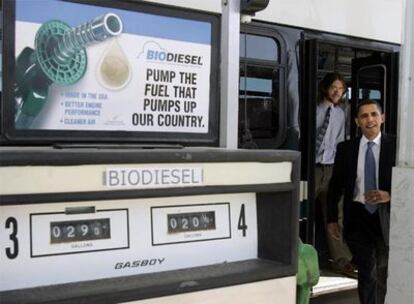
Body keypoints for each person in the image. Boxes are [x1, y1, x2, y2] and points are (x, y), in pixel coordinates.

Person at [327, 99, 396, 304]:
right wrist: (332, 219)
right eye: (364, 116)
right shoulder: (346, 149)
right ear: (357, 121)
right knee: (368, 269)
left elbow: (407, 182)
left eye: (374, 114)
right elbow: (335, 187)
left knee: (382, 271)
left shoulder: (396, 146)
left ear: (382, 118)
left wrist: (389, 195)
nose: (370, 120)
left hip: (385, 217)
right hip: (357, 217)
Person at [314, 72, 354, 276]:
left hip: (331, 169)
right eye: (334, 88)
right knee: (295, 210)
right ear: (325, 88)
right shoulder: (314, 109)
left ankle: (341, 260)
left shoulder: (341, 113)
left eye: (341, 89)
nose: (338, 92)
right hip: (312, 168)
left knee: (335, 215)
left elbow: (341, 140)